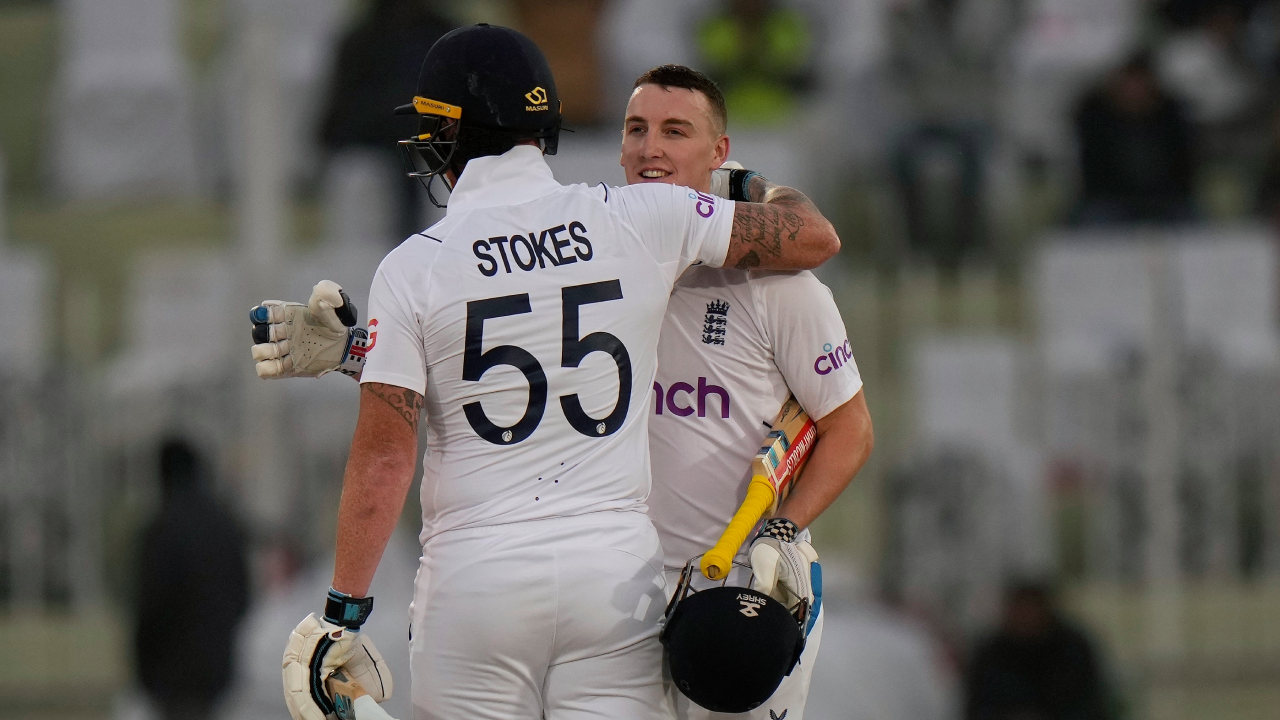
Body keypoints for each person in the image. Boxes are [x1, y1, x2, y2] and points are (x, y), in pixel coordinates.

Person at [260, 62, 868, 720]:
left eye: (675, 131)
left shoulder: (779, 289)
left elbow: (850, 429)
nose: (650, 148)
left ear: (719, 153)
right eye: (636, 128)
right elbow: (507, 380)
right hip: (629, 590)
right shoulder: (620, 241)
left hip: (742, 583)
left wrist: (784, 527)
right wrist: (360, 353)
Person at [135, 438, 250, 720]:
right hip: (217, 668)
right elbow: (243, 594)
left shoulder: (161, 528)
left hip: (171, 673)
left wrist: (144, 666)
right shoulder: (223, 524)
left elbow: (150, 604)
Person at [1073, 52, 1197, 226]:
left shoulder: (1172, 116)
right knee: (1096, 221)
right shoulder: (1095, 118)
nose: (1134, 90)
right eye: (1129, 83)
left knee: (1192, 223)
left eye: (1140, 82)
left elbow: (1184, 166)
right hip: (1111, 200)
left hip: (1167, 200)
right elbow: (1093, 171)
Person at [965, 582, 1112, 720]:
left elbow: (1089, 703)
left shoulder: (1072, 650)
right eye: (1021, 609)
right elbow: (978, 706)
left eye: (1031, 608)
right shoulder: (990, 654)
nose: (1026, 616)